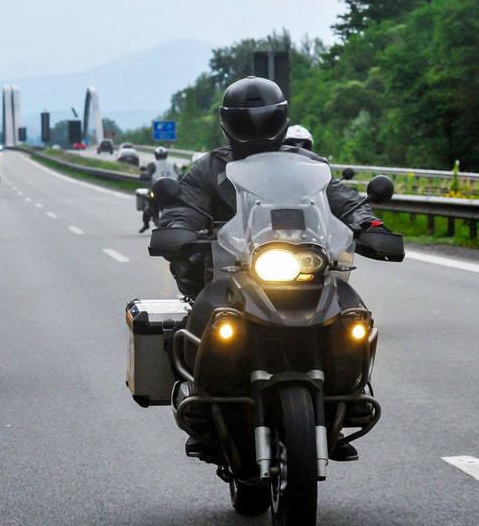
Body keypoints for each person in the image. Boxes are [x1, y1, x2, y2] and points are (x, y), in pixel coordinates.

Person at [157, 76, 397, 459]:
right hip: (232, 271)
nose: (254, 127)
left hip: (307, 268)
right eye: (246, 120)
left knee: (352, 318)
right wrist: (177, 229)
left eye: (262, 118)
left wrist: (369, 225)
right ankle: (203, 406)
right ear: (230, 122)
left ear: (279, 119)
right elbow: (184, 206)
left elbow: (342, 199)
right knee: (202, 320)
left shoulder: (307, 165)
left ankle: (346, 395)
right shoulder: (209, 169)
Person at [138, 147, 179, 233]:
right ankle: (146, 224)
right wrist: (145, 175)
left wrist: (182, 175)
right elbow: (148, 173)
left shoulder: (172, 164)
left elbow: (178, 173)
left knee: (182, 202)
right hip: (156, 188)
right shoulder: (152, 165)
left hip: (171, 188)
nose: (161, 157)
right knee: (148, 206)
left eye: (162, 155)